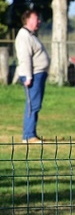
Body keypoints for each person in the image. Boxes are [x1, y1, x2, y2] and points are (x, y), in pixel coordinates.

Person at [14, 9, 50, 144]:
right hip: (32, 75)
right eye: (36, 18)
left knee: (36, 105)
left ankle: (31, 133)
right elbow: (25, 58)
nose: (39, 21)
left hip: (38, 74)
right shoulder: (24, 36)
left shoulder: (31, 35)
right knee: (32, 105)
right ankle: (28, 135)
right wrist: (28, 77)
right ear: (28, 20)